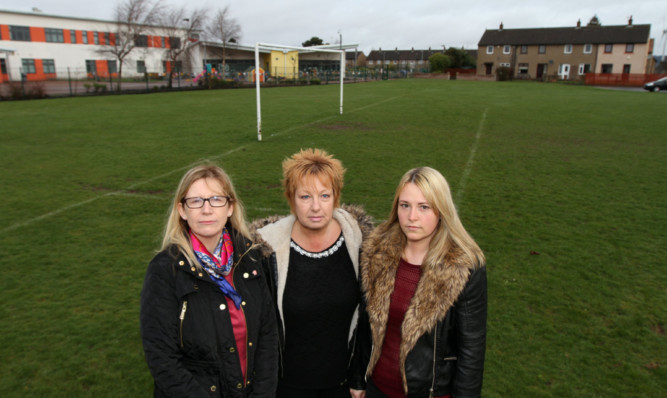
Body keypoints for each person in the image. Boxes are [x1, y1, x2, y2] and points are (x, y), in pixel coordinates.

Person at [140, 163, 278, 397]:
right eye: (196, 201)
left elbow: (268, 337)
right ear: (182, 210)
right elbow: (163, 359)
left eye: (216, 199)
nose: (206, 209)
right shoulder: (165, 271)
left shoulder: (251, 258)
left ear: (230, 207)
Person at [252, 148, 373, 398]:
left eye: (324, 195)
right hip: (286, 386)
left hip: (342, 386)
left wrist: (358, 376)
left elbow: (369, 319)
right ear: (291, 198)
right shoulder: (266, 250)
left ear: (336, 197)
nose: (316, 207)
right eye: (305, 196)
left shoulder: (360, 243)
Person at [360, 167, 487, 398]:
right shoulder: (377, 251)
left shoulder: (463, 267)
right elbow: (363, 325)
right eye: (405, 205)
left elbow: (472, 351)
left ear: (441, 210)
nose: (412, 217)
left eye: (424, 207)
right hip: (376, 389)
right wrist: (358, 378)